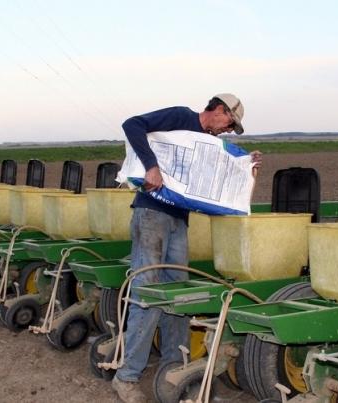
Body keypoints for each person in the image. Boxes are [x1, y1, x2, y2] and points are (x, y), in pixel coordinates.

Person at [111, 94, 262, 403]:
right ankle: (126, 377)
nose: (227, 130)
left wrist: (245, 168)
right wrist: (151, 167)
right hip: (151, 214)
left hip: (179, 221)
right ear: (219, 110)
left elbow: (215, 185)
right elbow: (132, 125)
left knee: (178, 294)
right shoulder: (181, 117)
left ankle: (172, 369)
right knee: (147, 293)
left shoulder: (208, 145)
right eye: (229, 123)